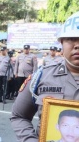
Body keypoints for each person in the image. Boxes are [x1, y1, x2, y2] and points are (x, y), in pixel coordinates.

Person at [11, 11, 79, 142]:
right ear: (62, 44)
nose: (77, 45)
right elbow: (19, 116)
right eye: (71, 39)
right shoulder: (41, 77)